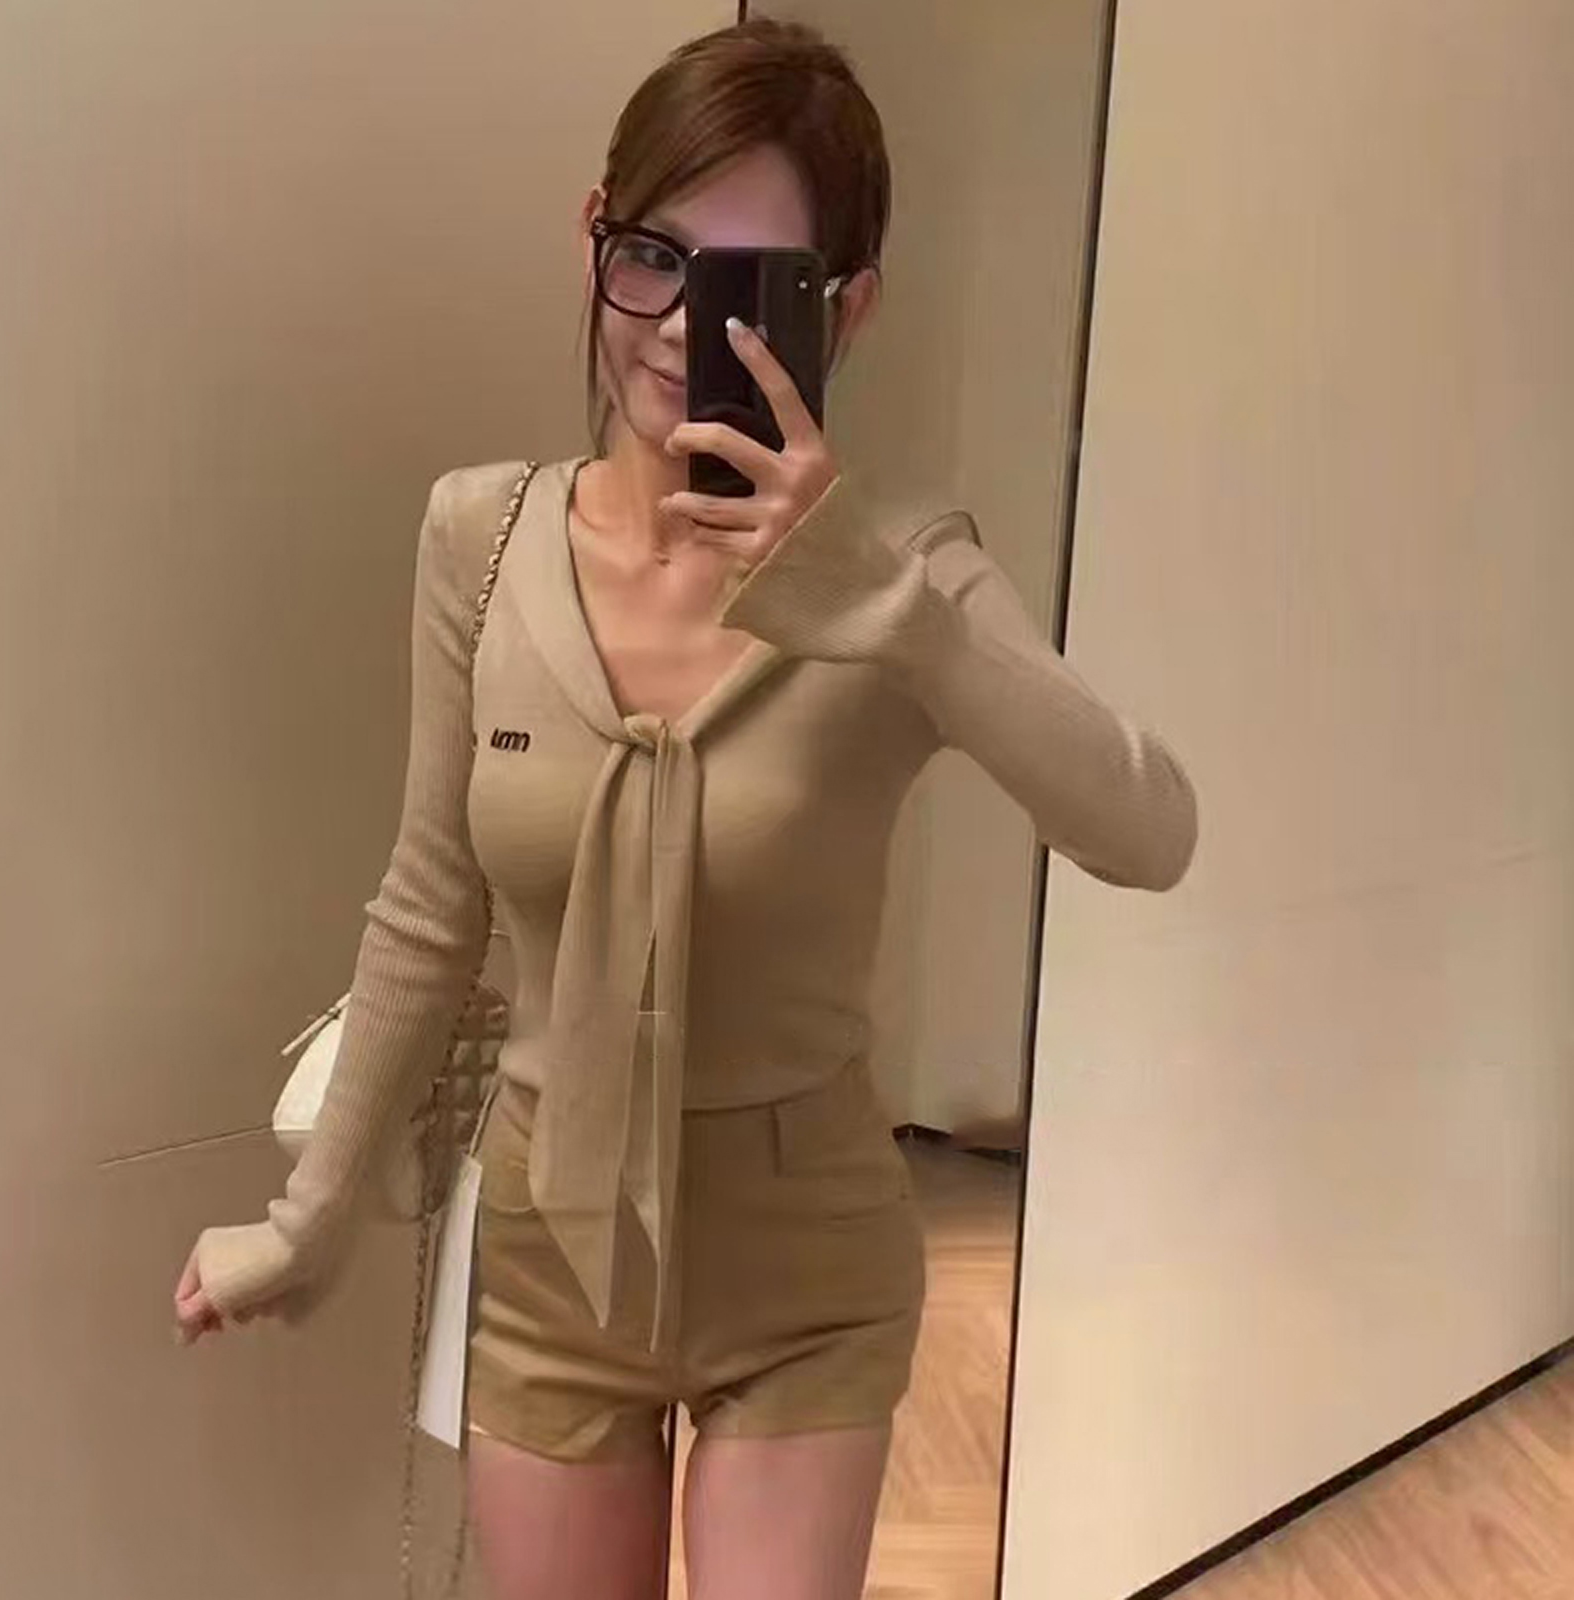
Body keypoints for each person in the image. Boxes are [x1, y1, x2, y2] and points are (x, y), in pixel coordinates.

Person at [173, 18, 1198, 1600]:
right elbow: (429, 909)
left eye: (749, 283)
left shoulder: (905, 566)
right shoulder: (479, 540)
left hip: (806, 1269)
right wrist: (307, 1225)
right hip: (550, 1250)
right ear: (594, 234)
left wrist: (907, 623)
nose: (677, 326)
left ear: (846, 305)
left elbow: (1149, 831)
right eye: (651, 255)